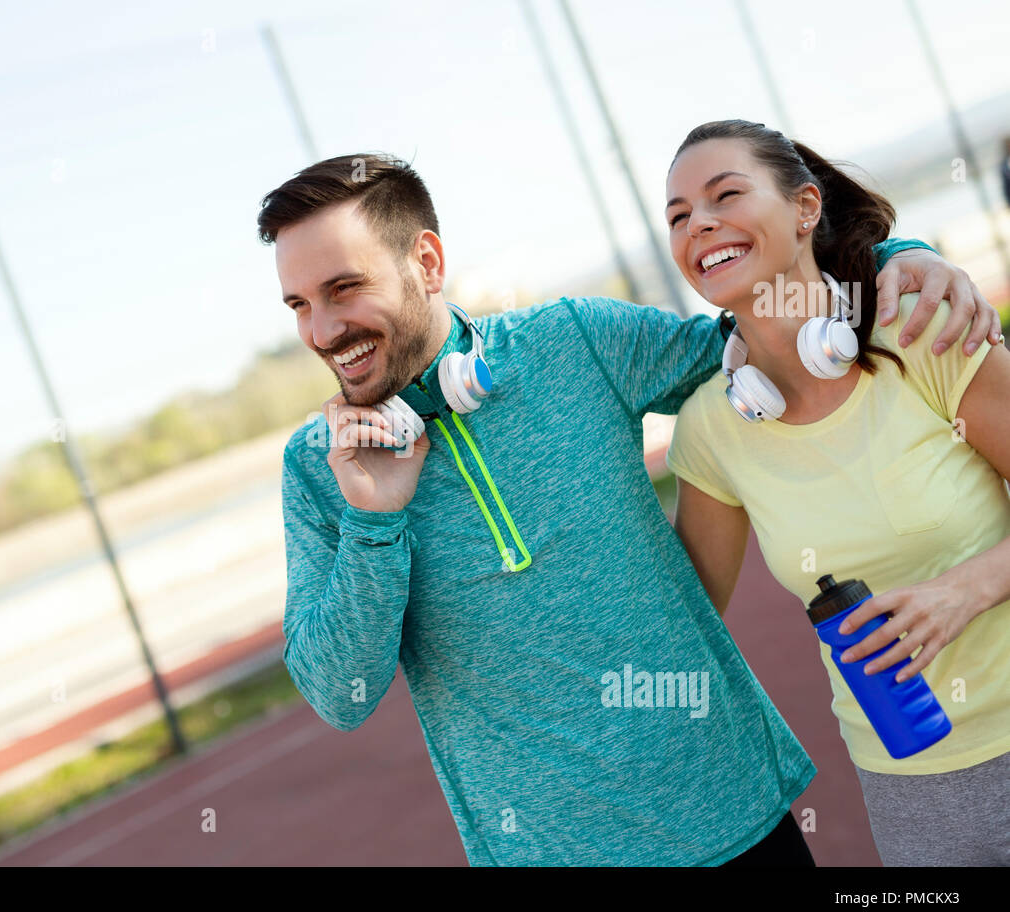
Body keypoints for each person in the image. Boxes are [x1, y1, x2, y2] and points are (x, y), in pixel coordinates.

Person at [258, 152, 1000, 866]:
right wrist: (373, 521)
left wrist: (895, 253)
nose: (323, 332)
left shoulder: (574, 341)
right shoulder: (320, 469)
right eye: (300, 306)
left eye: (344, 288)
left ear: (426, 262)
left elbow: (764, 330)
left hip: (735, 808)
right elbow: (340, 695)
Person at [662, 120, 1010, 866]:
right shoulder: (711, 432)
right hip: (910, 784)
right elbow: (681, 616)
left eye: (726, 195)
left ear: (806, 208)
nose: (701, 224)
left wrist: (965, 590)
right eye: (679, 215)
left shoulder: (922, 332)